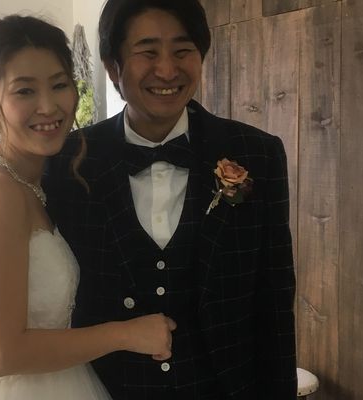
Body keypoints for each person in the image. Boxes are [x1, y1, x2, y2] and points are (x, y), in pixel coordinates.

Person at [44, 0, 298, 399]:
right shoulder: (67, 162)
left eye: (182, 51)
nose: (166, 70)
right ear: (113, 67)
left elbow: (275, 301)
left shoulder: (257, 154)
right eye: (148, 52)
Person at [0, 15, 177, 400]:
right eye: (24, 91)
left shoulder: (33, 186)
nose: (48, 106)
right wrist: (126, 334)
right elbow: (3, 355)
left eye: (59, 85)